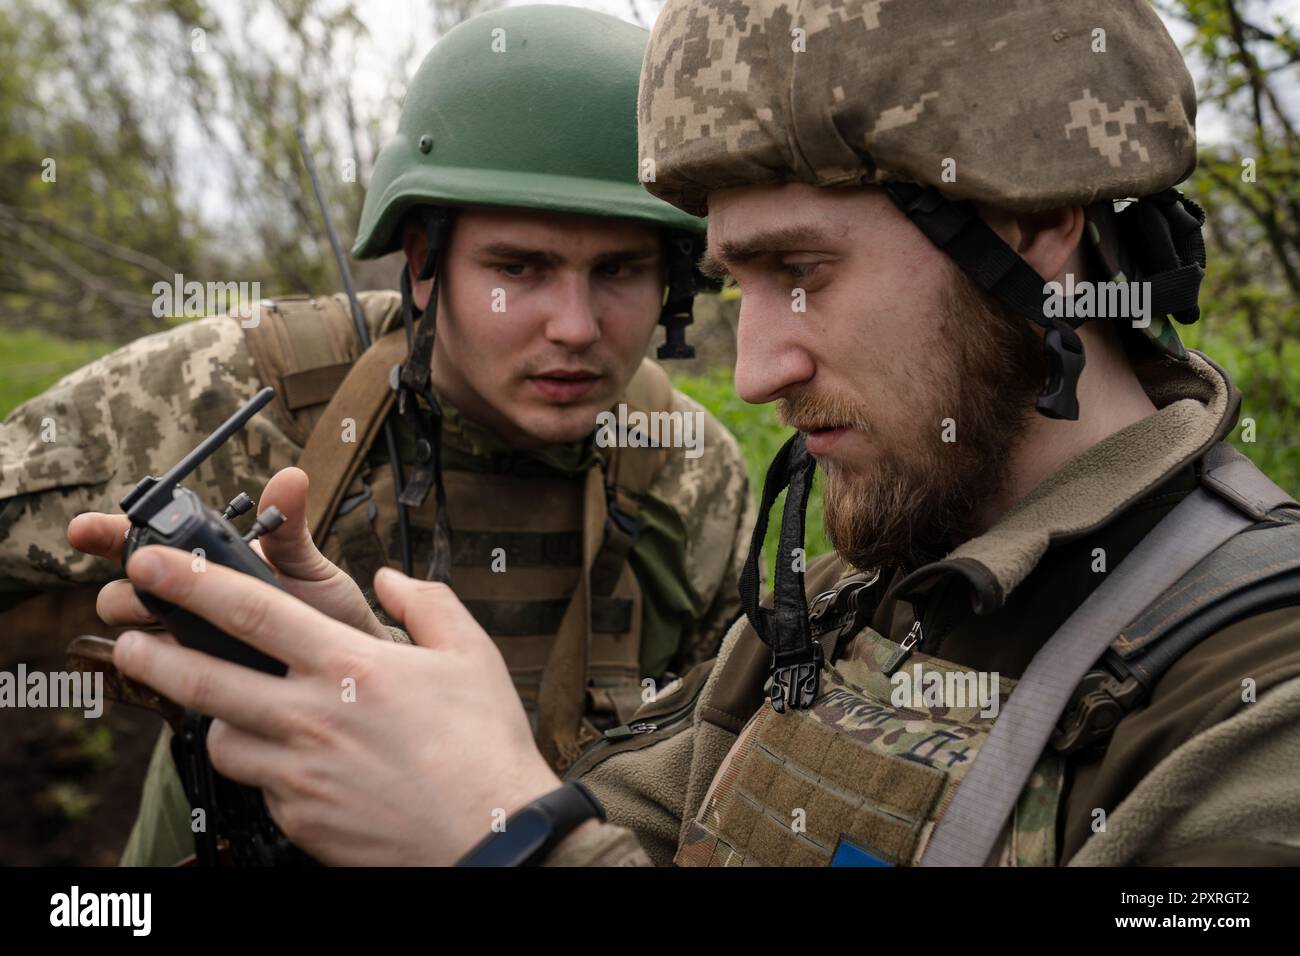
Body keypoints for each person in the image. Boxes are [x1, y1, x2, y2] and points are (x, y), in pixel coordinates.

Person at [101, 0, 1300, 866]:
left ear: (1036, 224)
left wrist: (505, 840)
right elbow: (621, 815)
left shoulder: (1250, 698)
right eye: (736, 281)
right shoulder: (849, 590)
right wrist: (381, 712)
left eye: (803, 272)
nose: (757, 367)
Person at [3, 5, 753, 865]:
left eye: (619, 270)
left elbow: (715, 788)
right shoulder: (240, 390)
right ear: (424, 261)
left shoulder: (690, 473)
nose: (575, 326)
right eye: (519, 269)